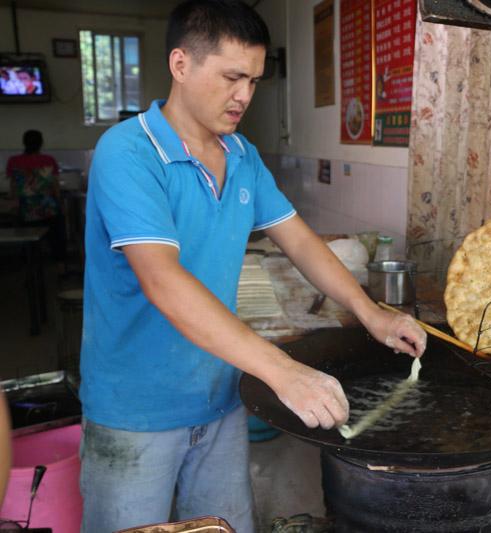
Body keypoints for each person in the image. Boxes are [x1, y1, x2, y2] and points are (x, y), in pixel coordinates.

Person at [78, 1, 426, 532]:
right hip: (136, 412)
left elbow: (301, 243)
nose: (244, 95)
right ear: (180, 65)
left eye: (254, 80)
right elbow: (162, 280)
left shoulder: (241, 155)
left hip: (220, 398)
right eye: (232, 77)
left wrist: (370, 311)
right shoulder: (128, 154)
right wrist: (282, 371)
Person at [5, 130, 67, 261]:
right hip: (48, 209)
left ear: (24, 143)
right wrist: (60, 204)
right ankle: (60, 268)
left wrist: (13, 204)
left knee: (28, 241)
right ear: (41, 143)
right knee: (57, 238)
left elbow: (13, 188)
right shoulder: (48, 160)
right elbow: (55, 186)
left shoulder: (14, 161)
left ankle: (30, 266)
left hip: (26, 210)